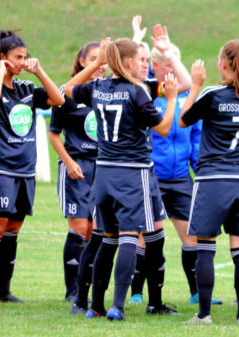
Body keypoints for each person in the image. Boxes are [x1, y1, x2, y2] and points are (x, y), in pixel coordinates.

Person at [63, 37, 178, 321]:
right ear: (128, 63)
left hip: (103, 172)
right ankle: (118, 306)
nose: (145, 65)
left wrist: (98, 63)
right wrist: (173, 99)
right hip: (132, 172)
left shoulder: (99, 88)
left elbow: (67, 89)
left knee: (108, 239)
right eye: (141, 60)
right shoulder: (136, 92)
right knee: (128, 236)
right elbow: (163, 128)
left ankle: (96, 306)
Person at [0, 30, 65, 305]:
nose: (23, 62)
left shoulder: (25, 88)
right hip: (1, 170)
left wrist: (39, 72)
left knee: (12, 232)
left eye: (25, 57)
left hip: (25, 171)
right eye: (17, 58)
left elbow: (58, 100)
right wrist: (1, 72)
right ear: (2, 58)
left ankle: (3, 291)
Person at [129, 38, 225, 307]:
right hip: (153, 177)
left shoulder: (187, 100)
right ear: (155, 67)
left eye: (176, 64)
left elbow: (195, 138)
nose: (172, 70)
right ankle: (137, 291)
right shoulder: (147, 93)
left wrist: (198, 171)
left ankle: (196, 292)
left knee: (191, 237)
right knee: (144, 236)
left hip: (181, 178)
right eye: (168, 64)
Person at [180, 40, 239, 325]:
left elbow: (183, 120)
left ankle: (204, 314)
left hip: (212, 180)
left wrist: (194, 85)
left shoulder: (212, 94)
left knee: (206, 246)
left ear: (223, 64)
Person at [49, 41, 106, 304]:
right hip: (77, 167)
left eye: (103, 60)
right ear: (82, 61)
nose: (100, 65)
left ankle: (89, 286)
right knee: (80, 227)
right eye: (94, 59)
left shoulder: (107, 91)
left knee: (96, 229)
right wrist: (69, 161)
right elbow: (54, 134)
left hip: (103, 168)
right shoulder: (68, 93)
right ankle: (71, 289)